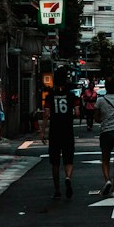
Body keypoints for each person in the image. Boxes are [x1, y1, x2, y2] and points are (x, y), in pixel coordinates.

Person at [42, 69, 79, 199]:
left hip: (55, 131)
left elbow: (46, 114)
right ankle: (68, 177)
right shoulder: (71, 96)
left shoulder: (50, 96)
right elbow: (77, 113)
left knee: (55, 162)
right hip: (67, 130)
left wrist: (42, 131)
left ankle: (57, 190)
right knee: (69, 159)